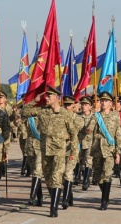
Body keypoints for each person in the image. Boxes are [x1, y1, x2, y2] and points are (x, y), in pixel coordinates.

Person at [21, 86, 78, 218]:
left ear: (56, 98)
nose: (46, 98)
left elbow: (73, 133)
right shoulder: (42, 111)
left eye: (49, 96)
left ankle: (53, 208)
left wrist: (74, 151)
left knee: (56, 177)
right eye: (45, 96)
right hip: (45, 150)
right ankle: (56, 199)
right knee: (48, 179)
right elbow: (24, 112)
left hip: (59, 150)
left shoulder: (65, 113)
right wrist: (35, 100)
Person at [86, 91, 121, 210]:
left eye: (106, 101)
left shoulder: (115, 117)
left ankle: (104, 201)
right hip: (97, 149)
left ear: (111, 103)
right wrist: (88, 129)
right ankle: (105, 195)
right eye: (101, 100)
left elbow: (119, 135)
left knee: (107, 174)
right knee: (98, 177)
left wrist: (118, 152)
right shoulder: (95, 116)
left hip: (109, 150)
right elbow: (90, 128)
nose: (103, 102)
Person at [61, 95, 80, 209]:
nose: (67, 107)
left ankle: (65, 200)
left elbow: (74, 133)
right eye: (65, 105)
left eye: (69, 105)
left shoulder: (77, 119)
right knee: (62, 175)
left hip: (72, 149)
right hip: (60, 149)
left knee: (68, 173)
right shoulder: (59, 117)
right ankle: (69, 195)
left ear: (74, 105)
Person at [76, 96, 94, 190]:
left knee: (88, 161)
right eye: (82, 104)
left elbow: (91, 129)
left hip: (90, 142)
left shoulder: (94, 116)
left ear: (90, 106)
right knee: (80, 161)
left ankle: (86, 181)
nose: (83, 106)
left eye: (86, 104)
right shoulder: (76, 116)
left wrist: (88, 129)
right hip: (79, 143)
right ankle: (79, 176)